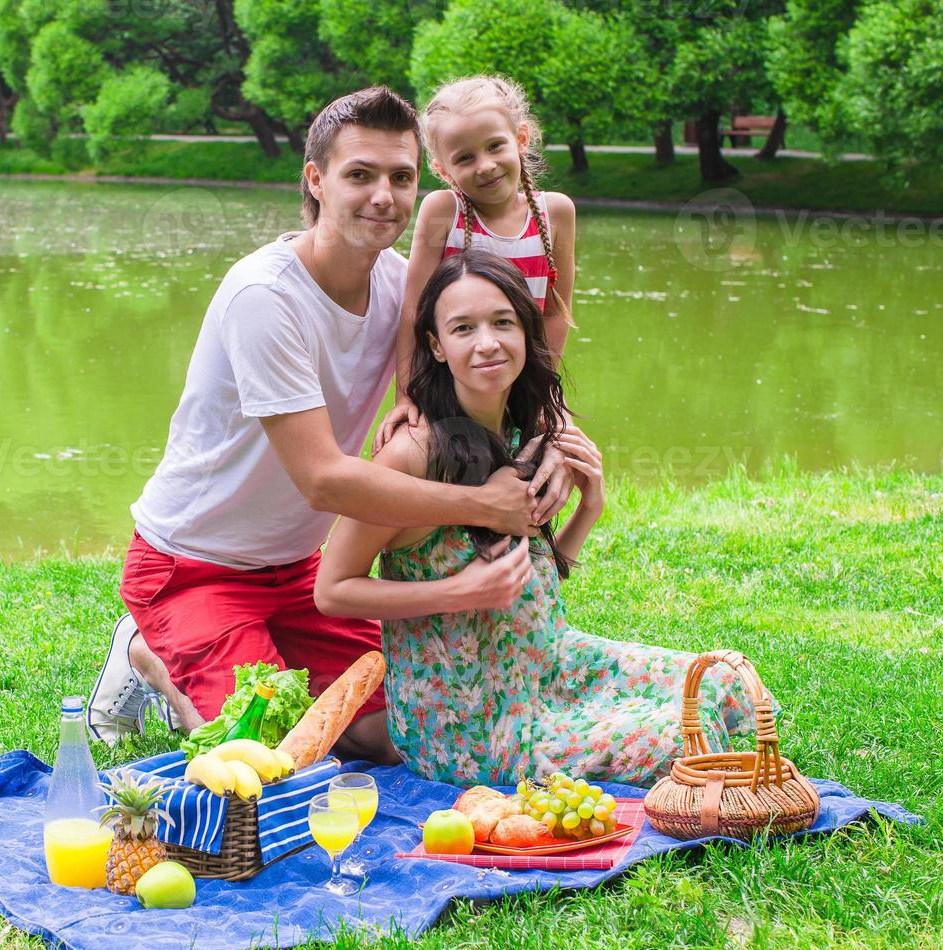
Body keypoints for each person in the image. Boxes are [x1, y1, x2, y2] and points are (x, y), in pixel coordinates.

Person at [87, 87, 577, 758]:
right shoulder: (265, 296)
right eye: (360, 175)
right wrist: (484, 507)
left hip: (298, 571)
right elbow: (322, 479)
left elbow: (494, 365)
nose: (385, 196)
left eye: (402, 177)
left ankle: (208, 657)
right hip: (193, 566)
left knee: (396, 731)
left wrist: (552, 441)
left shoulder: (402, 288)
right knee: (271, 756)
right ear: (316, 181)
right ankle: (147, 650)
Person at [314, 250, 753, 785]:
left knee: (724, 686)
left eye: (503, 322)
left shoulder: (525, 433)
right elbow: (332, 590)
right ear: (436, 345)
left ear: (526, 331)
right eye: (463, 328)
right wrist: (461, 591)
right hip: (471, 724)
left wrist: (589, 508)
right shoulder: (413, 455)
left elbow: (536, 578)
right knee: (687, 734)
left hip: (551, 665)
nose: (487, 343)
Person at [377, 73, 577, 454]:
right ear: (443, 170)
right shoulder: (443, 211)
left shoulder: (556, 213)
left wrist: (543, 394)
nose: (484, 165)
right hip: (449, 381)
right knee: (448, 466)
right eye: (465, 158)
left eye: (495, 146)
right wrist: (405, 397)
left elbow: (553, 312)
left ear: (521, 139)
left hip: (517, 378)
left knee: (526, 469)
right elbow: (413, 310)